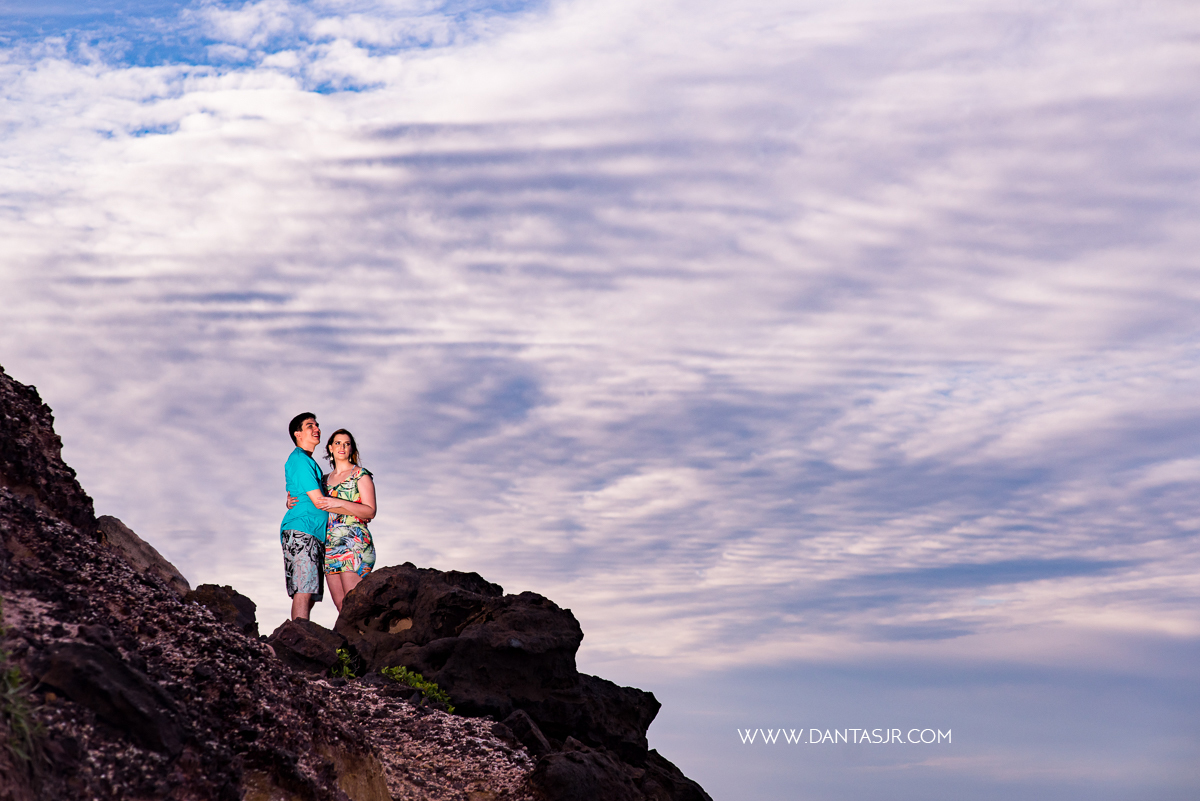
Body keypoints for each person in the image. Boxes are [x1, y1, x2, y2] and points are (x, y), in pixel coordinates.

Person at [318, 429, 377, 611]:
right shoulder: (323, 480)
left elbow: (370, 511)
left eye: (347, 443)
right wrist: (290, 501)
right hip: (330, 545)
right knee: (341, 607)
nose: (342, 447)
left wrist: (339, 502)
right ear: (330, 448)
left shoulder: (360, 475)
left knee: (355, 606)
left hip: (354, 543)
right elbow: (314, 504)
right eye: (338, 443)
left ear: (351, 449)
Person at [280, 412, 329, 620]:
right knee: (304, 589)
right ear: (297, 434)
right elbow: (318, 501)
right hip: (302, 529)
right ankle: (297, 635)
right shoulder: (300, 460)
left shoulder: (307, 461)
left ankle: (301, 631)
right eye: (310, 425)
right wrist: (357, 509)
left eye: (317, 425)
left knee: (309, 592)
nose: (317, 429)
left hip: (312, 531)